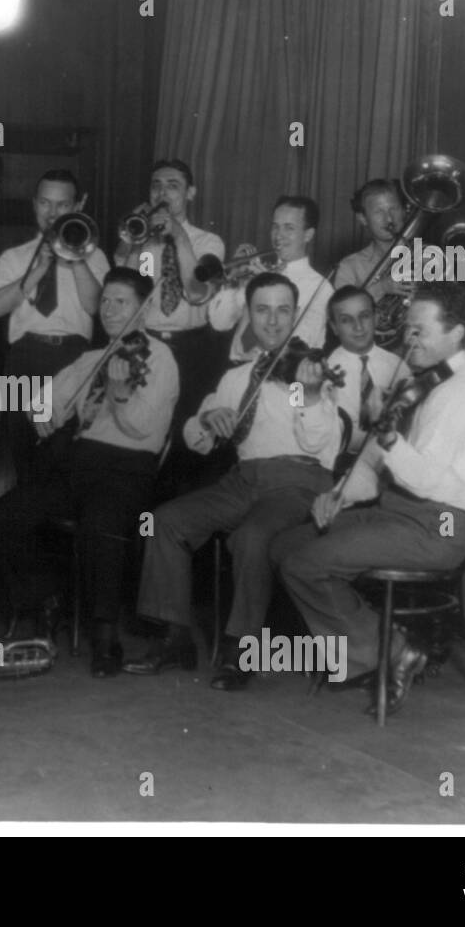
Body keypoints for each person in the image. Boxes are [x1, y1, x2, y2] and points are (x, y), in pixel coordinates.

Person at [271, 286, 465, 717]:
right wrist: (338, 496)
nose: (409, 338)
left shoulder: (461, 394)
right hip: (396, 512)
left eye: (420, 330)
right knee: (285, 546)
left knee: (305, 564)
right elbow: (373, 461)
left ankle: (395, 650)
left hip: (438, 527)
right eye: (408, 329)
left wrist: (387, 433)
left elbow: (424, 480)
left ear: (456, 334)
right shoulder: (421, 383)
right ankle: (369, 651)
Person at [125, 273, 341, 682]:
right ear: (249, 315)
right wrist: (208, 418)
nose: (273, 321)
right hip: (243, 481)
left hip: (296, 482)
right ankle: (174, 638)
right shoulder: (236, 377)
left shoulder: (307, 373)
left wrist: (310, 394)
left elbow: (319, 442)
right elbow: (196, 439)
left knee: (251, 537)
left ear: (296, 314)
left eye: (283, 311)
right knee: (162, 521)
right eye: (262, 310)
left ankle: (241, 648)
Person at [0, 268, 179, 676]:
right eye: (105, 301)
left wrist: (121, 397)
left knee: (101, 522)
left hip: (129, 467)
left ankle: (105, 637)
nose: (109, 310)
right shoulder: (92, 358)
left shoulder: (160, 358)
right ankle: (46, 599)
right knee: (7, 513)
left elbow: (144, 427)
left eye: (121, 302)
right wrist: (42, 414)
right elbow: (45, 400)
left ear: (143, 309)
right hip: (81, 463)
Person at [0, 169, 111, 485]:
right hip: (24, 359)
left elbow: (96, 307)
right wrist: (39, 268)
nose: (52, 213)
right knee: (22, 451)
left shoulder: (94, 255)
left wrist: (76, 256)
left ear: (78, 206)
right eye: (45, 203)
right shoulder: (13, 257)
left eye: (62, 205)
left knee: (63, 454)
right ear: (34, 204)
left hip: (73, 360)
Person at [114, 159, 227, 493]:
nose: (162, 193)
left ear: (191, 193)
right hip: (146, 345)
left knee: (184, 437)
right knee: (143, 430)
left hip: (193, 349)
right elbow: (125, 293)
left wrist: (177, 235)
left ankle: (171, 507)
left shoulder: (209, 242)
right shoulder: (140, 241)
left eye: (173, 186)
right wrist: (134, 242)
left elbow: (196, 292)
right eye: (156, 185)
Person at [208, 195, 333, 365]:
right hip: (240, 370)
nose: (278, 236)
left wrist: (268, 288)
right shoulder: (257, 273)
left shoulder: (321, 287)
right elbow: (219, 323)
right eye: (275, 227)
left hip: (281, 374)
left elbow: (303, 342)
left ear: (308, 235)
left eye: (289, 228)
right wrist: (233, 283)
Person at [324, 286, 406, 454]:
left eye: (364, 316)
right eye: (346, 320)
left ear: (376, 318)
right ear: (334, 327)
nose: (358, 326)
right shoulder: (325, 371)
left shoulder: (397, 365)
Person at [334, 178, 406, 296]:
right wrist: (381, 288)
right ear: (363, 219)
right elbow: (344, 306)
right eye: (379, 212)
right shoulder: (350, 267)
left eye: (394, 208)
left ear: (404, 211)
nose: (389, 219)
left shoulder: (426, 256)